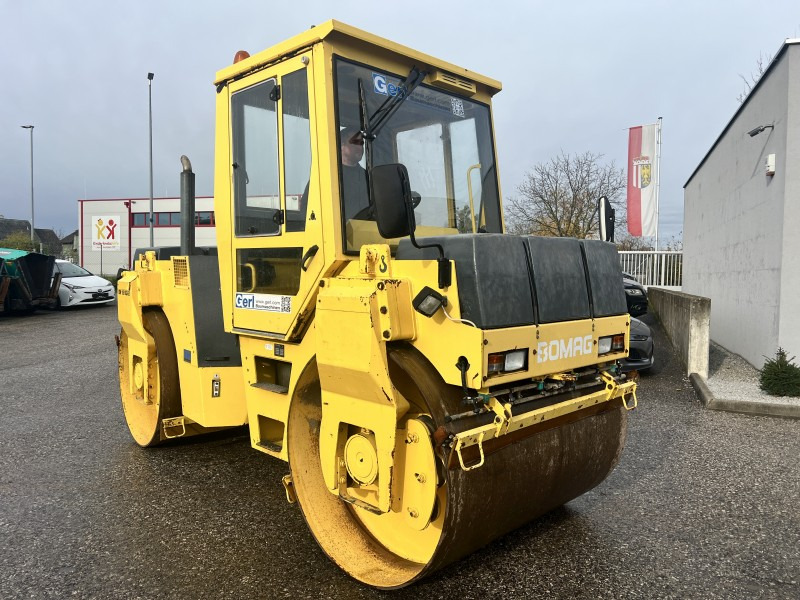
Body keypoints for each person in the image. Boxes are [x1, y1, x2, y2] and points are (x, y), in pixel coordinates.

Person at [339, 126, 370, 220]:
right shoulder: (328, 176)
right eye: (355, 142)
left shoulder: (368, 178)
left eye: (361, 143)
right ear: (341, 145)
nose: (360, 147)